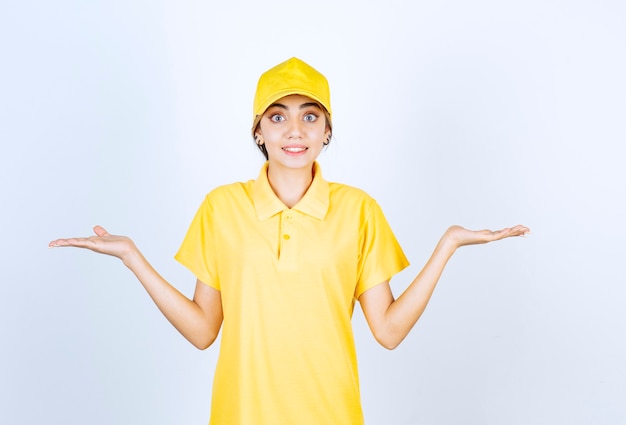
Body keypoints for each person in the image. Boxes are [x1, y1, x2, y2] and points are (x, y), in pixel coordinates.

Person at [49, 57, 529, 425]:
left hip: (331, 413)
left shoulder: (359, 210)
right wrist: (134, 258)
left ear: (327, 130)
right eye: (277, 118)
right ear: (258, 130)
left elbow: (388, 331)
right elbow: (202, 331)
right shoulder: (222, 207)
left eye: (310, 117)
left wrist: (446, 245)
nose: (294, 131)